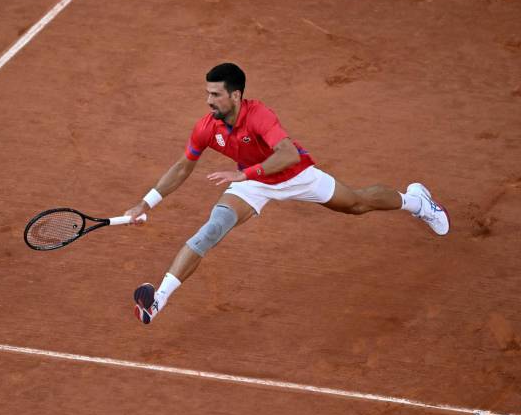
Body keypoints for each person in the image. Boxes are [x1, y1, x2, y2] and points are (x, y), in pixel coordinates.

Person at [124, 63, 449, 325]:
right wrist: (146, 202)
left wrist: (244, 173)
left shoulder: (260, 115)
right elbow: (183, 167)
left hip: (295, 176)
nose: (209, 101)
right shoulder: (207, 127)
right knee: (212, 228)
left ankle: (417, 202)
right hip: (253, 184)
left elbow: (289, 154)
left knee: (357, 204)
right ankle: (158, 300)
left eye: (216, 94)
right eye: (207, 93)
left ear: (236, 96)